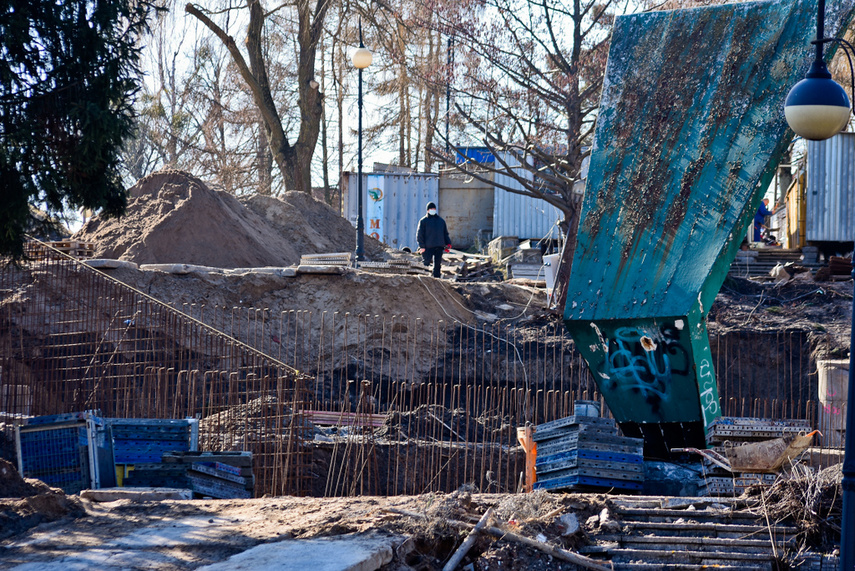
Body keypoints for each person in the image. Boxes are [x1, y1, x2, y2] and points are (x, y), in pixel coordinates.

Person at [416, 201, 451, 278]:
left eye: (434, 208)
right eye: (431, 208)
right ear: (428, 210)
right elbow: (419, 235)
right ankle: (424, 278)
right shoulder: (423, 221)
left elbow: (445, 233)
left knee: (437, 265)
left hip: (439, 246)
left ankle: (436, 280)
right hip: (427, 247)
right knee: (426, 263)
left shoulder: (441, 221)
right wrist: (422, 246)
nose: (433, 210)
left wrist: (448, 243)